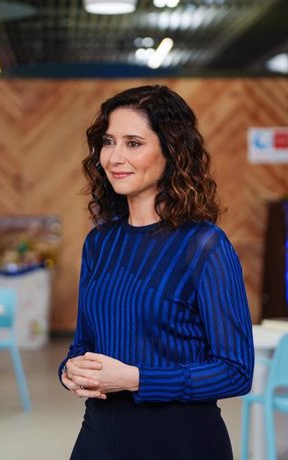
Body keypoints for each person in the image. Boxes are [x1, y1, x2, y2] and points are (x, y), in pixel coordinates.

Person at [59, 85, 254, 460]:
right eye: (108, 142)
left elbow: (235, 371)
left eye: (133, 143)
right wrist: (71, 369)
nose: (114, 157)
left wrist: (135, 379)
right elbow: (83, 343)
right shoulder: (99, 243)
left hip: (181, 442)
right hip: (101, 437)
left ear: (172, 151)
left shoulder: (205, 245)